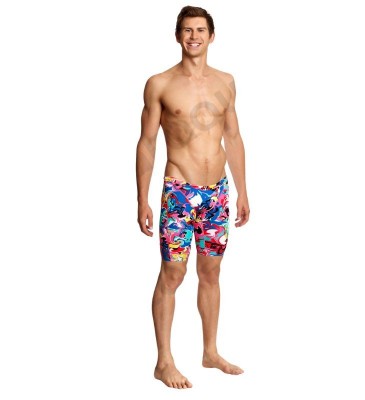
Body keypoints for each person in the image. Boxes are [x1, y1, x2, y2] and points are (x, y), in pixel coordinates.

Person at [136, 5, 250, 389]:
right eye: (187, 30)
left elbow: (232, 136)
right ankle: (163, 361)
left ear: (211, 36)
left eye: (200, 30)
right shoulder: (160, 84)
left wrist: (243, 190)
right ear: (178, 36)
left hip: (218, 192)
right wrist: (142, 198)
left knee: (211, 272)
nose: (194, 36)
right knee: (173, 272)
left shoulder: (226, 82)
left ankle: (210, 352)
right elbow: (147, 143)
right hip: (180, 191)